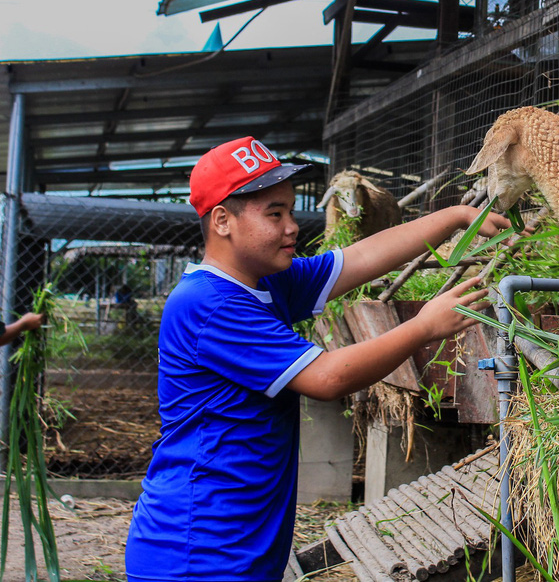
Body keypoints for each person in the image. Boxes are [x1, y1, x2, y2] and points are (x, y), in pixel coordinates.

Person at [125, 136, 510, 581]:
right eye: (275, 214)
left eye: (290, 210)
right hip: (198, 551)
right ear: (222, 220)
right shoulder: (209, 303)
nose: (292, 226)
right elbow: (327, 377)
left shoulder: (267, 282)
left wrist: (457, 217)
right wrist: (423, 327)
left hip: (239, 543)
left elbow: (360, 257)